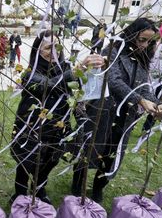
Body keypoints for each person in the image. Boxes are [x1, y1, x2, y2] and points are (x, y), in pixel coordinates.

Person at [71, 18, 162, 203]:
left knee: (113, 153)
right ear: (132, 35)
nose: (145, 45)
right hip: (103, 109)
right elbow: (113, 81)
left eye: (150, 41)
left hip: (125, 115)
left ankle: (98, 187)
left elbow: (144, 87)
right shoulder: (113, 50)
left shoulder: (143, 57)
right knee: (90, 148)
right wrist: (139, 100)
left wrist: (157, 103)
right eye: (142, 40)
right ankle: (77, 184)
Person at [10, 30, 105, 204]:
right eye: (48, 47)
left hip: (57, 127)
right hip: (31, 128)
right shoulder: (29, 72)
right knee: (25, 163)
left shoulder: (66, 69)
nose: (54, 51)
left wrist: (82, 113)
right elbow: (48, 86)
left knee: (49, 162)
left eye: (57, 47)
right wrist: (77, 70)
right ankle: (20, 192)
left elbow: (72, 96)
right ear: (38, 50)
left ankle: (39, 188)